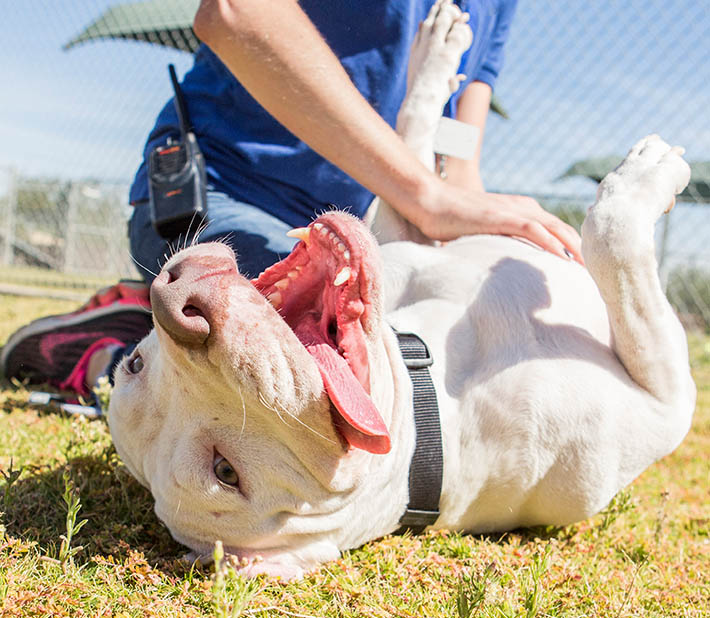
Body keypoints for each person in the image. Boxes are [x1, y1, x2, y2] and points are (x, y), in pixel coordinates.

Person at [0, 0, 582, 396]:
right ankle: (104, 357)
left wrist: (483, 243)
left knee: (397, 357)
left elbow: (459, 159)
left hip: (340, 239)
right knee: (296, 373)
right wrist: (425, 195)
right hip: (218, 193)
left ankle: (153, 315)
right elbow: (233, 12)